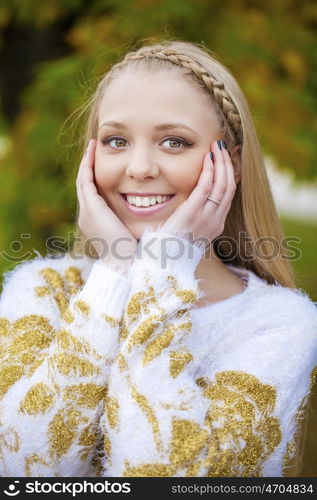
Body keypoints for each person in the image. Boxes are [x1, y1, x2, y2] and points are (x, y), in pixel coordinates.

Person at [0, 39, 316, 478]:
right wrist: (113, 274)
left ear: (233, 163)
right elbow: (23, 471)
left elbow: (166, 477)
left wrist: (165, 267)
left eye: (173, 141)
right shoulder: (42, 290)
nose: (140, 167)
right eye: (116, 140)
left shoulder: (279, 324)